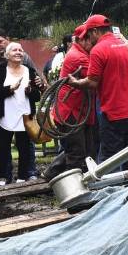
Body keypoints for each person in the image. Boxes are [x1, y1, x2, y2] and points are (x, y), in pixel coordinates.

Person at [65, 15, 128, 165]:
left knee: (109, 160)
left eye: (88, 35)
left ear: (95, 31)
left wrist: (75, 82)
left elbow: (92, 82)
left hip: (115, 112)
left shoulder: (98, 49)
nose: (88, 39)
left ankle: (108, 189)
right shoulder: (122, 45)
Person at [43, 25, 96, 180]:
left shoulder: (80, 53)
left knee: (80, 148)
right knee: (77, 152)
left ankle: (50, 173)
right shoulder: (79, 57)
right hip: (72, 111)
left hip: (76, 109)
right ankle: (73, 185)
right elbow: (95, 79)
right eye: (89, 39)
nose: (92, 42)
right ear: (80, 40)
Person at [0, 42, 44, 183]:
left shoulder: (29, 70)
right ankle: (3, 177)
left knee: (24, 148)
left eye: (20, 50)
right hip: (5, 116)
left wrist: (30, 91)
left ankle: (23, 176)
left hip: (24, 116)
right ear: (7, 55)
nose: (18, 52)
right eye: (15, 50)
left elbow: (37, 96)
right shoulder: (1, 70)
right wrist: (10, 89)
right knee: (3, 148)